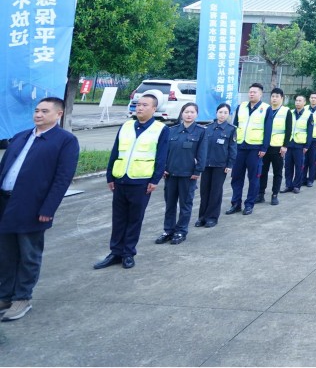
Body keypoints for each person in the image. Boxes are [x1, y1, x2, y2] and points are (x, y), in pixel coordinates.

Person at [0, 96, 79, 321]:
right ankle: (5, 295)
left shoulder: (65, 141)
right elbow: (3, 168)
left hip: (32, 206)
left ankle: (22, 298)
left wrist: (49, 208)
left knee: (28, 254)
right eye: (36, 110)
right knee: (5, 254)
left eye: (44, 111)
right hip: (5, 203)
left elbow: (62, 178)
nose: (38, 114)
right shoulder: (21, 136)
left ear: (58, 114)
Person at [95, 93, 169, 270]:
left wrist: (155, 179)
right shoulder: (126, 126)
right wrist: (110, 176)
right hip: (120, 179)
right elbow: (115, 151)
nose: (140, 108)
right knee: (118, 218)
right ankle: (115, 252)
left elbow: (161, 157)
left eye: (144, 105)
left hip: (141, 181)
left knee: (134, 219)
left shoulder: (161, 129)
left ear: (154, 109)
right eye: (138, 104)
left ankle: (128, 253)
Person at [156, 102, 208, 245]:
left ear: (196, 114)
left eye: (192, 112)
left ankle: (181, 231)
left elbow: (202, 153)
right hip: (170, 174)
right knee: (170, 204)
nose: (189, 115)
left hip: (188, 175)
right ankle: (168, 230)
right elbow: (163, 151)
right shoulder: (171, 130)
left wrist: (198, 171)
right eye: (186, 112)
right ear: (182, 113)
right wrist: (162, 167)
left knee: (185, 205)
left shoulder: (201, 131)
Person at [227, 83, 271, 216]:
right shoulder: (241, 107)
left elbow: (268, 130)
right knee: (236, 177)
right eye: (250, 92)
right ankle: (236, 204)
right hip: (240, 147)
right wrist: (232, 146)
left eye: (254, 92)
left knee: (254, 178)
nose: (251, 94)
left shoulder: (266, 108)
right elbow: (234, 127)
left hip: (255, 149)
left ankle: (249, 204)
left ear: (260, 94)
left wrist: (264, 148)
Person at [196, 103, 236, 227]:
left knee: (215, 192)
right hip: (207, 164)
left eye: (225, 113)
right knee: (204, 191)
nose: (222, 115)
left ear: (228, 114)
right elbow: (201, 147)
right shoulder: (207, 128)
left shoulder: (231, 129)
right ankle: (202, 217)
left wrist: (230, 164)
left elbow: (232, 148)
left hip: (220, 165)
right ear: (216, 113)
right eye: (220, 112)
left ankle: (212, 218)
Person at [257, 88, 292, 204]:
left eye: (277, 96)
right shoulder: (266, 110)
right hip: (265, 147)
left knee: (277, 172)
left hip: (278, 147)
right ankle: (260, 194)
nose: (274, 98)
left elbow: (288, 130)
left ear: (282, 98)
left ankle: (274, 195)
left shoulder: (286, 111)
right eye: (273, 96)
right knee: (263, 171)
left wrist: (285, 146)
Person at [284, 94, 311, 194]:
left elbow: (310, 131)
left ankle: (297, 186)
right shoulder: (290, 113)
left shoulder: (308, 114)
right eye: (296, 101)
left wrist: (307, 146)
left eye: (300, 101)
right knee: (288, 166)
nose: (297, 102)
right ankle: (288, 185)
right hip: (289, 143)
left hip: (300, 144)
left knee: (299, 166)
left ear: (304, 102)